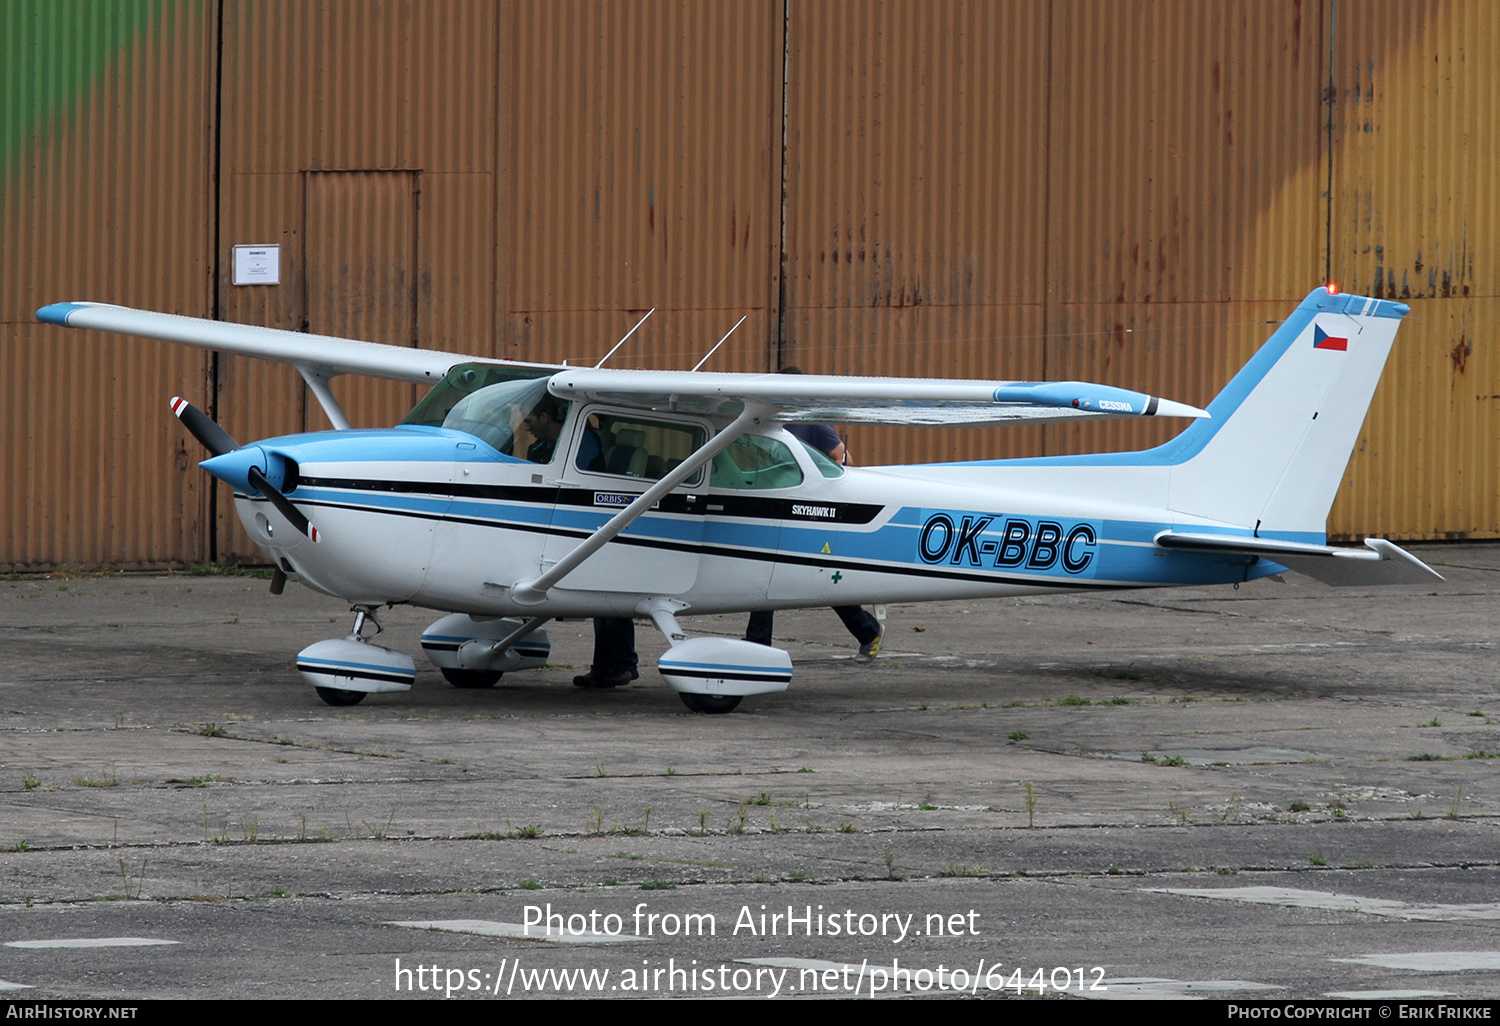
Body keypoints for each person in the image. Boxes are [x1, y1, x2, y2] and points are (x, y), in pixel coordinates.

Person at [744, 369, 884, 661]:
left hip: (808, 511)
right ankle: (867, 631)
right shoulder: (769, 422)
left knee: (807, 575)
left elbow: (844, 459)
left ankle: (868, 631)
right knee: (771, 571)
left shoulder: (811, 422)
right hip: (778, 508)